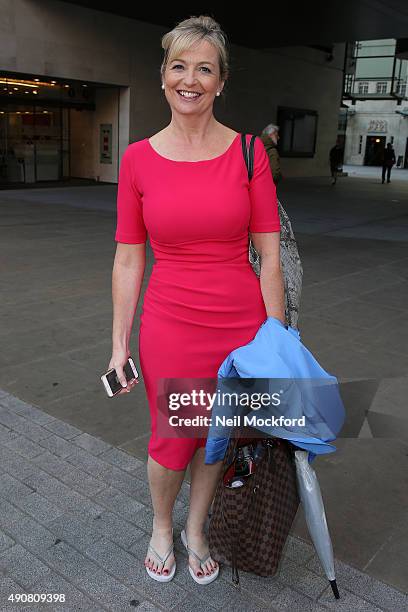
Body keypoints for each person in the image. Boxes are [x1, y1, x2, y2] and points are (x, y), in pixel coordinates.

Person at [109, 15, 283, 585]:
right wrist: (118, 345)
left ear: (221, 81)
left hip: (240, 322)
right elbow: (130, 256)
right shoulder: (137, 158)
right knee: (173, 435)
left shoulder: (250, 154)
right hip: (171, 323)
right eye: (179, 66)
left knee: (219, 429)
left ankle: (196, 529)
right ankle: (163, 524)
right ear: (162, 75)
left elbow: (270, 256)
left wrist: (276, 340)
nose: (191, 79)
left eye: (204, 68)